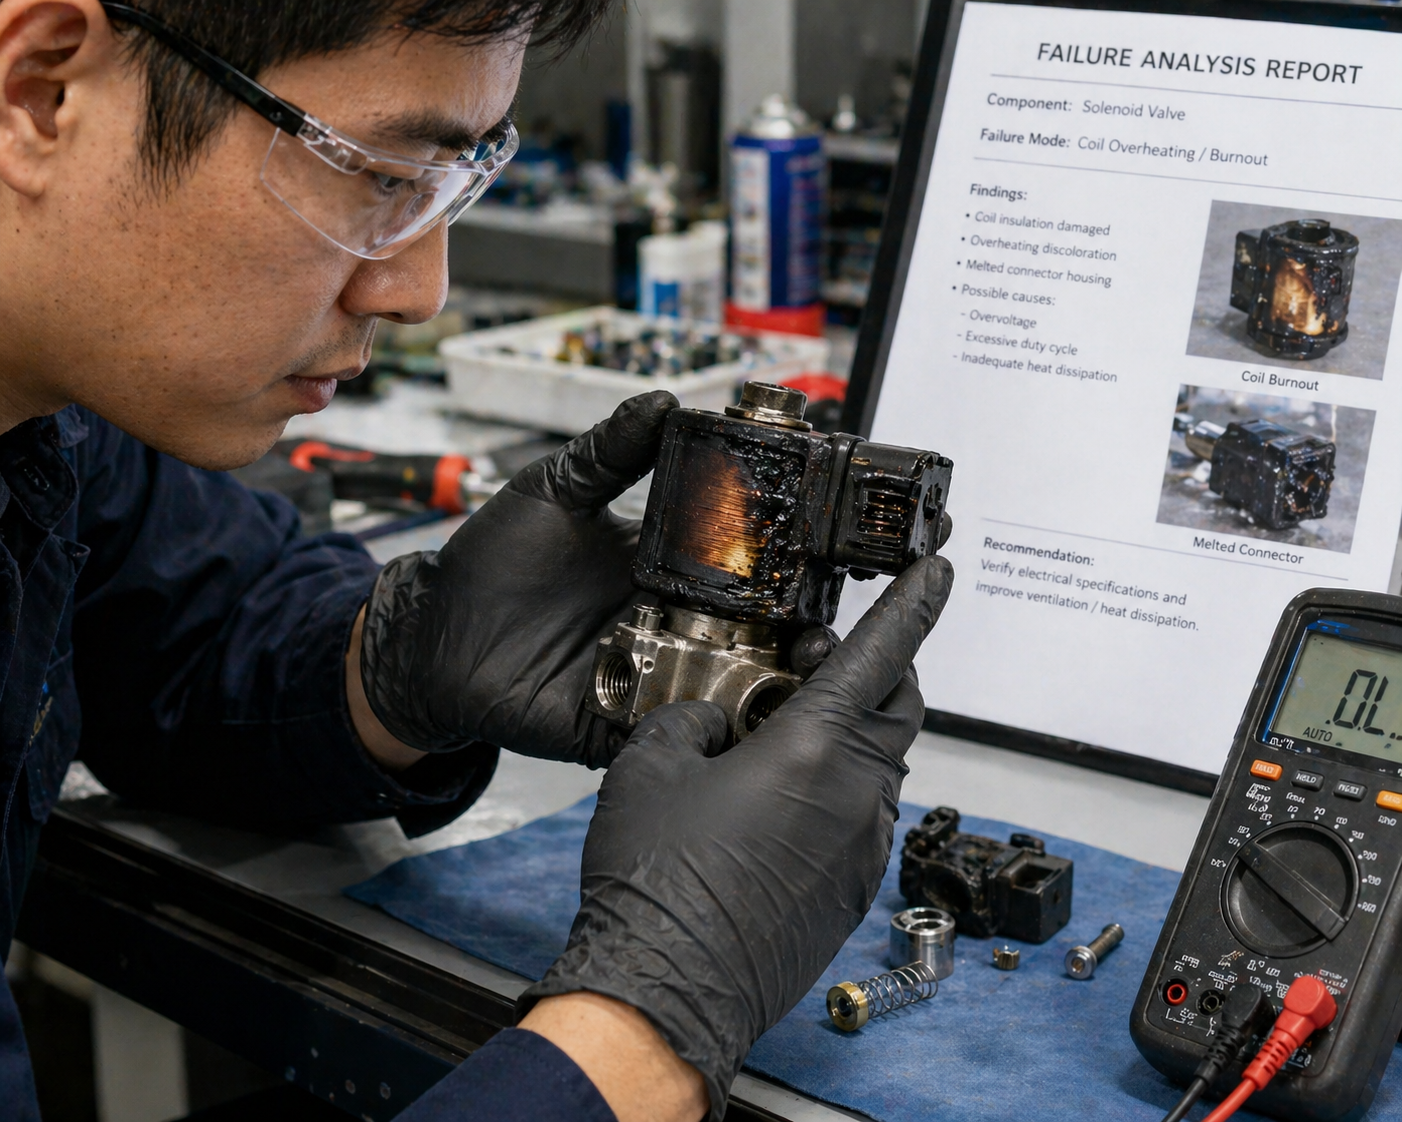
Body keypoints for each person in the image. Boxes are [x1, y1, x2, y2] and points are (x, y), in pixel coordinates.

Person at [0, 1, 956, 1120]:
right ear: (42, 91)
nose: (418, 291)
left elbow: (162, 627)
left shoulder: (46, 405)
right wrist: (644, 1024)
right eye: (380, 175)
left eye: (453, 183)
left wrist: (396, 665)